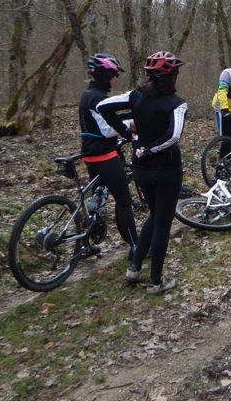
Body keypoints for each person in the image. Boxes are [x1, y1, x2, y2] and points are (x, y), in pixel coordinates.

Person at [98, 51, 187, 295]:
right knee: (163, 223)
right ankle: (156, 281)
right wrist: (149, 148)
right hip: (167, 169)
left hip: (141, 170)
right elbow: (174, 135)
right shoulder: (177, 104)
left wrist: (126, 134)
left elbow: (102, 106)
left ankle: (135, 267)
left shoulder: (136, 96)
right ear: (172, 76)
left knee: (155, 214)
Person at [78, 53, 138, 256]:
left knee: (97, 200)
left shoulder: (88, 94)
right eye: (114, 74)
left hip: (89, 154)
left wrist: (125, 118)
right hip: (105, 155)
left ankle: (84, 245)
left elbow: (101, 122)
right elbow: (108, 130)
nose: (116, 78)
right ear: (105, 75)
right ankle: (135, 246)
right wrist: (129, 125)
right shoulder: (98, 98)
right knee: (123, 201)